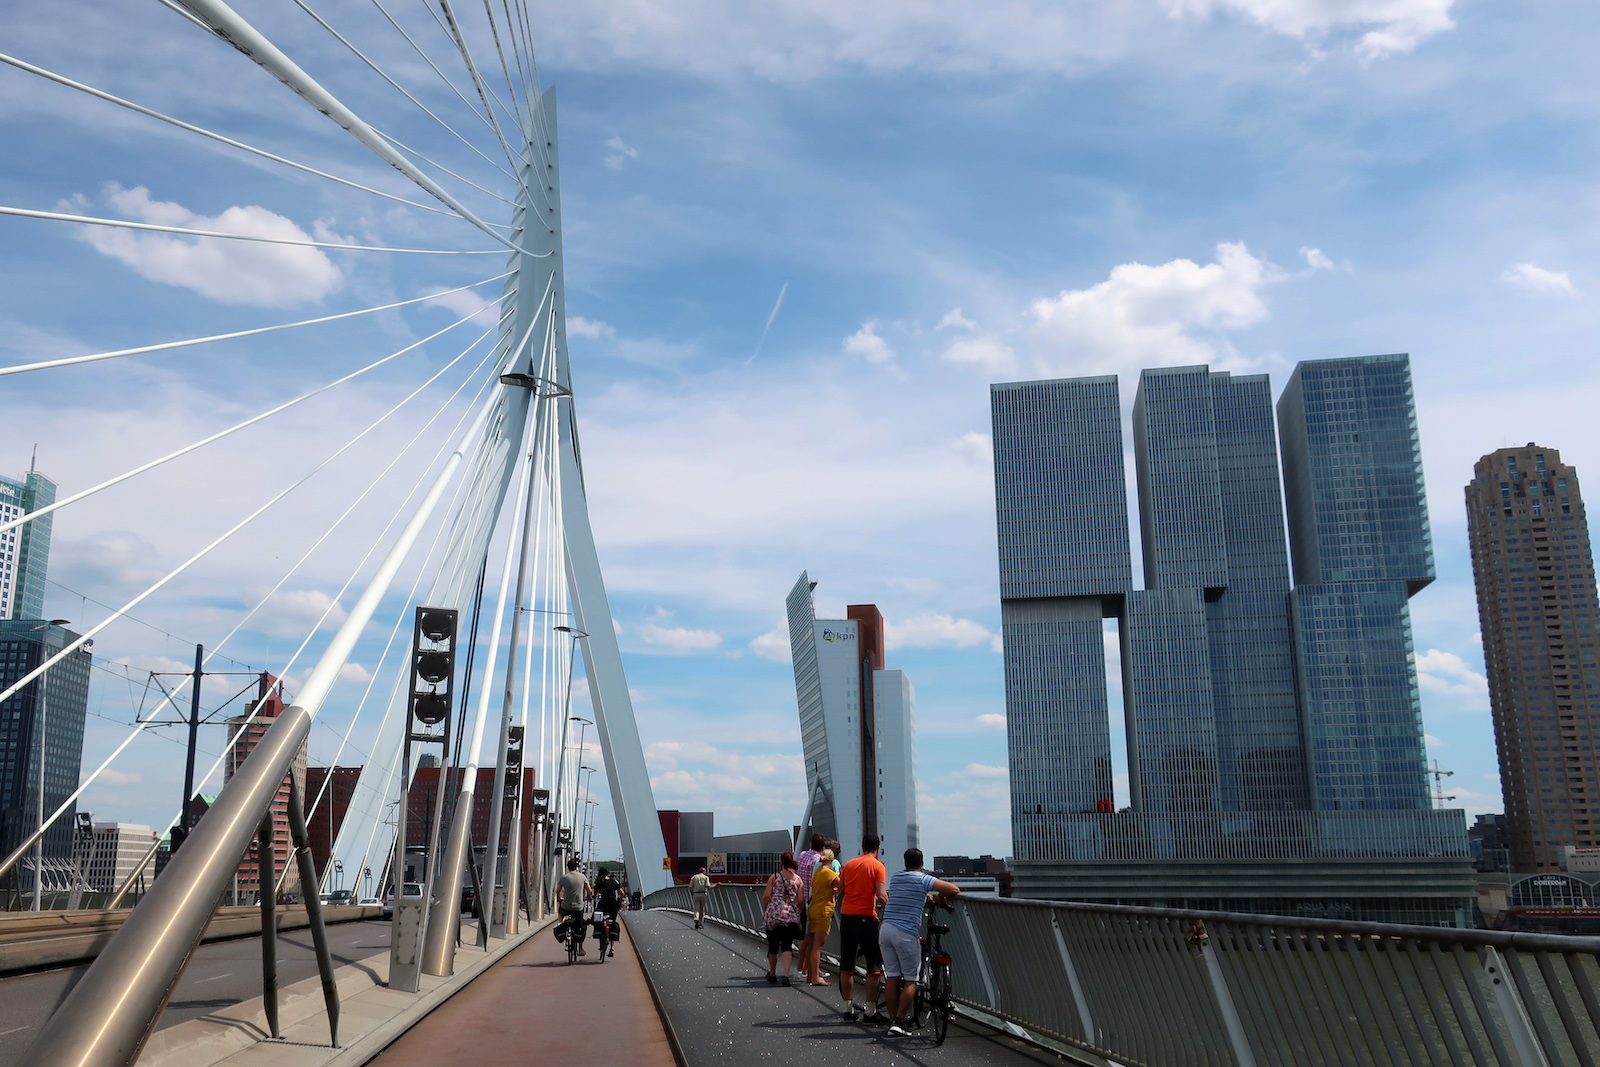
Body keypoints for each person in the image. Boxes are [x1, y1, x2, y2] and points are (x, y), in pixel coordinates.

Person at [879, 848, 962, 1036]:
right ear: (922, 864)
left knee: (892, 976)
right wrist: (940, 897)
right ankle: (899, 1021)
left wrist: (927, 896)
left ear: (905, 862)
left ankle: (892, 1019)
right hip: (905, 932)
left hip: (886, 929)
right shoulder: (923, 879)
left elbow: (909, 893)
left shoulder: (897, 877)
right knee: (911, 979)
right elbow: (954, 889)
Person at [836, 833, 889, 1024]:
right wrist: (889, 914)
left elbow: (840, 889)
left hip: (847, 916)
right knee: (873, 965)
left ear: (862, 846)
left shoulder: (849, 865)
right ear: (878, 848)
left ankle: (848, 1010)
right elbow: (882, 895)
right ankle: (870, 1011)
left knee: (847, 965)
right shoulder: (877, 866)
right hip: (866, 917)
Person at [761, 851, 805, 987]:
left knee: (773, 945)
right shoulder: (798, 880)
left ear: (781, 862)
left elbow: (766, 896)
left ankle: (772, 974)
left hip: (774, 915)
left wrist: (766, 910)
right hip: (790, 916)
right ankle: (785, 976)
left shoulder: (775, 877)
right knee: (787, 945)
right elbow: (801, 900)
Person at [801, 847, 838, 987]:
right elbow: (842, 886)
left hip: (813, 909)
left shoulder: (817, 872)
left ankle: (810, 975)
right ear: (831, 859)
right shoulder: (829, 873)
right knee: (818, 946)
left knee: (812, 945)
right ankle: (816, 977)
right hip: (823, 912)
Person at [793, 832, 825, 979]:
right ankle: (809, 971)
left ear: (811, 844)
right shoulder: (819, 861)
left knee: (805, 937)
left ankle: (803, 967)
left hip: (801, 900)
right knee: (812, 939)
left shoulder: (802, 855)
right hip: (813, 902)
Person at [556, 857, 592, 955]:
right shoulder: (582, 877)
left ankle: (561, 923)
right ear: (577, 867)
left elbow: (557, 891)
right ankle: (580, 948)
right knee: (581, 925)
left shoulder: (564, 877)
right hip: (578, 907)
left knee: (560, 911)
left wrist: (559, 898)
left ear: (568, 867)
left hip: (566, 906)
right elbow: (589, 890)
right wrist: (587, 897)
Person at [594, 869, 624, 956]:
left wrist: (594, 896)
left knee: (598, 920)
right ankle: (612, 948)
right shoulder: (614, 881)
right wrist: (619, 900)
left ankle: (599, 934)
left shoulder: (600, 882)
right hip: (613, 905)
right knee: (612, 922)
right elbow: (622, 893)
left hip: (603, 904)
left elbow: (595, 893)